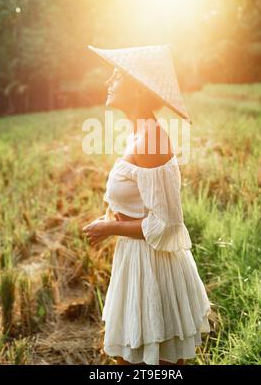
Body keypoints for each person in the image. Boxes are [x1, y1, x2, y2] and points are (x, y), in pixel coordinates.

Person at [82, 44, 212, 366]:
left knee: (154, 364)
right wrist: (114, 216)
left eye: (116, 78)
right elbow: (141, 201)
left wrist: (111, 227)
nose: (107, 84)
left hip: (153, 267)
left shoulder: (151, 140)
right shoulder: (138, 133)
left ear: (137, 89)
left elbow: (166, 224)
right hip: (136, 260)